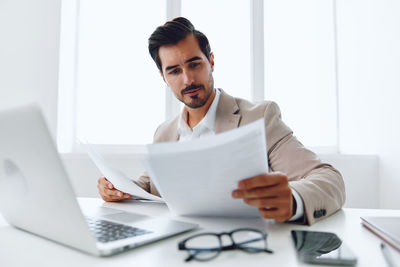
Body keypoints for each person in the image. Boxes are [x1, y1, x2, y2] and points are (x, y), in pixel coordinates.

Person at [97, 17, 345, 225]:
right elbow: (151, 186)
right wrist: (119, 189)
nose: (188, 80)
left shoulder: (259, 117)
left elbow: (329, 179)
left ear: (211, 62)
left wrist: (293, 200)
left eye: (195, 64)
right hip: (176, 249)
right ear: (163, 77)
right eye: (174, 71)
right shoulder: (164, 133)